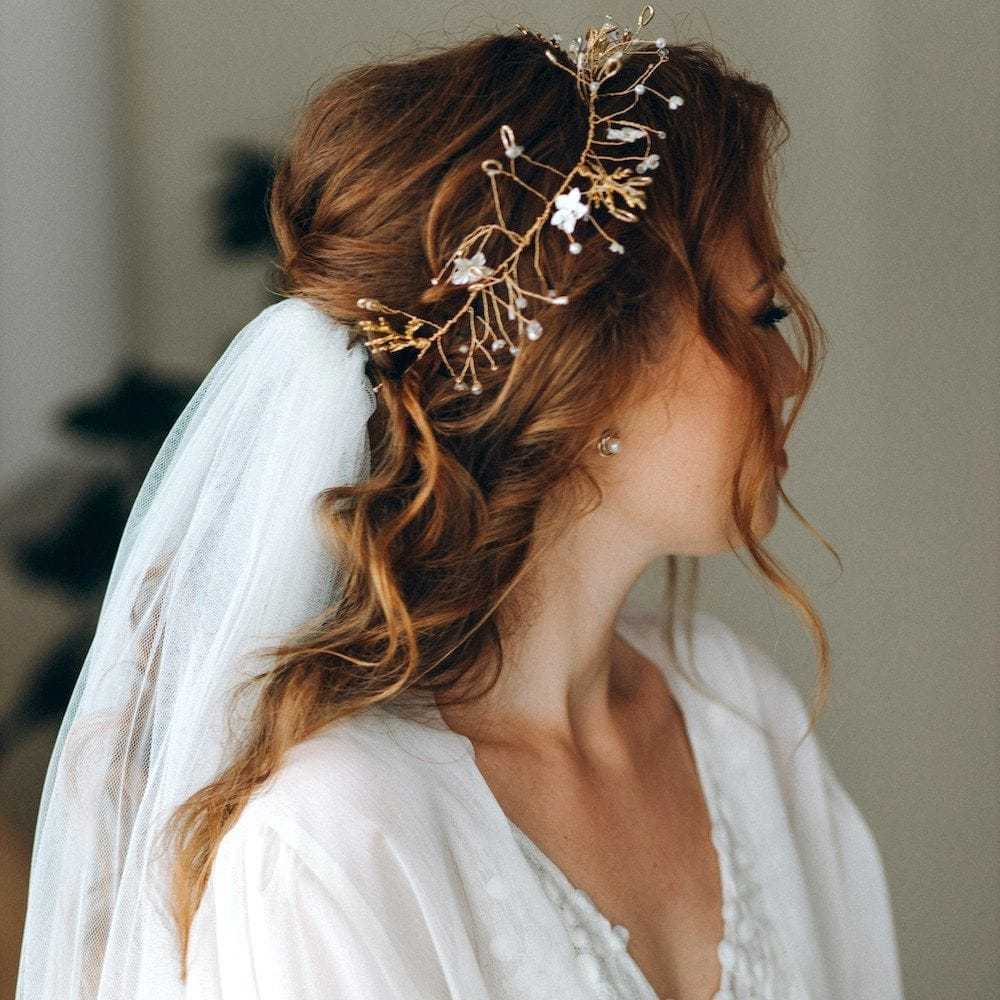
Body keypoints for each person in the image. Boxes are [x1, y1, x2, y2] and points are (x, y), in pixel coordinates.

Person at [15, 9, 905, 999]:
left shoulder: (736, 710)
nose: (786, 372)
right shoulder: (333, 844)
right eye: (759, 313)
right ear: (588, 369)